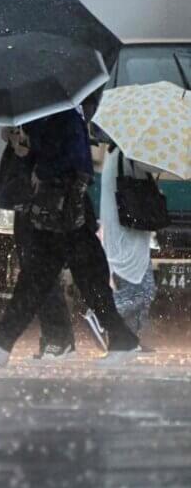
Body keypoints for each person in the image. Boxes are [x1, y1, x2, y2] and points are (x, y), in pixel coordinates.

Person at [0, 109, 141, 366]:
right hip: (60, 214)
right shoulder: (52, 114)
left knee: (48, 277)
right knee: (56, 277)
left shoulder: (63, 116)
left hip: (62, 211)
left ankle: (2, 340)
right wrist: (23, 145)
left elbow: (74, 158)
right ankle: (1, 340)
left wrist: (40, 163)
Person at [0, 127, 75, 360]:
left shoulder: (52, 120)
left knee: (41, 275)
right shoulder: (27, 117)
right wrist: (14, 142)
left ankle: (59, 339)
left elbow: (57, 158)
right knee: (36, 273)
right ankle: (57, 338)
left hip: (43, 207)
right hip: (25, 207)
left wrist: (30, 149)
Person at [99, 146, 158, 342]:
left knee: (134, 286)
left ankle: (125, 339)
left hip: (126, 229)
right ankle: (102, 313)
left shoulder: (116, 152)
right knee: (144, 291)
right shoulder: (130, 153)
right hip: (127, 232)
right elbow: (151, 165)